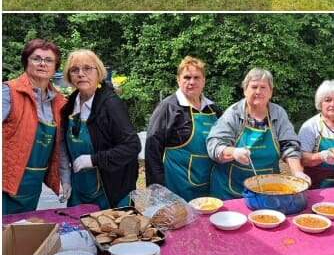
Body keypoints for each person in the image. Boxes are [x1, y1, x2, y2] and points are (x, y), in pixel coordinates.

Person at [206, 68, 307, 199]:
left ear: (271, 92)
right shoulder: (233, 113)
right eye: (254, 87)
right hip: (230, 191)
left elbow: (290, 146)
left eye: (263, 87)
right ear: (245, 90)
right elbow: (214, 145)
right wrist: (234, 152)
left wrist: (297, 172)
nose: (258, 92)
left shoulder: (278, 114)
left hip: (268, 189)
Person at [57, 50, 140, 210]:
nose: (81, 74)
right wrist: (65, 178)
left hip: (111, 192)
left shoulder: (111, 105)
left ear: (99, 72)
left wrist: (94, 160)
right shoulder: (69, 107)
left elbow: (132, 146)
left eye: (87, 68)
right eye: (74, 70)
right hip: (79, 190)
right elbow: (62, 146)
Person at [2, 40, 68, 214]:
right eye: (36, 58)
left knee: (22, 226)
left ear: (55, 67)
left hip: (33, 185)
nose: (42, 63)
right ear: (26, 62)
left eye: (49, 60)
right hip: (5, 182)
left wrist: (65, 178)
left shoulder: (59, 102)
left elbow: (60, 145)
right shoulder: (9, 92)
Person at [144, 56, 222, 201]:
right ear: (178, 80)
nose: (191, 82)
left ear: (204, 81)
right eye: (187, 77)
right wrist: (157, 188)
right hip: (175, 186)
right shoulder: (168, 107)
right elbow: (152, 149)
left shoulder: (213, 109)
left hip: (207, 184)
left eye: (196, 77)